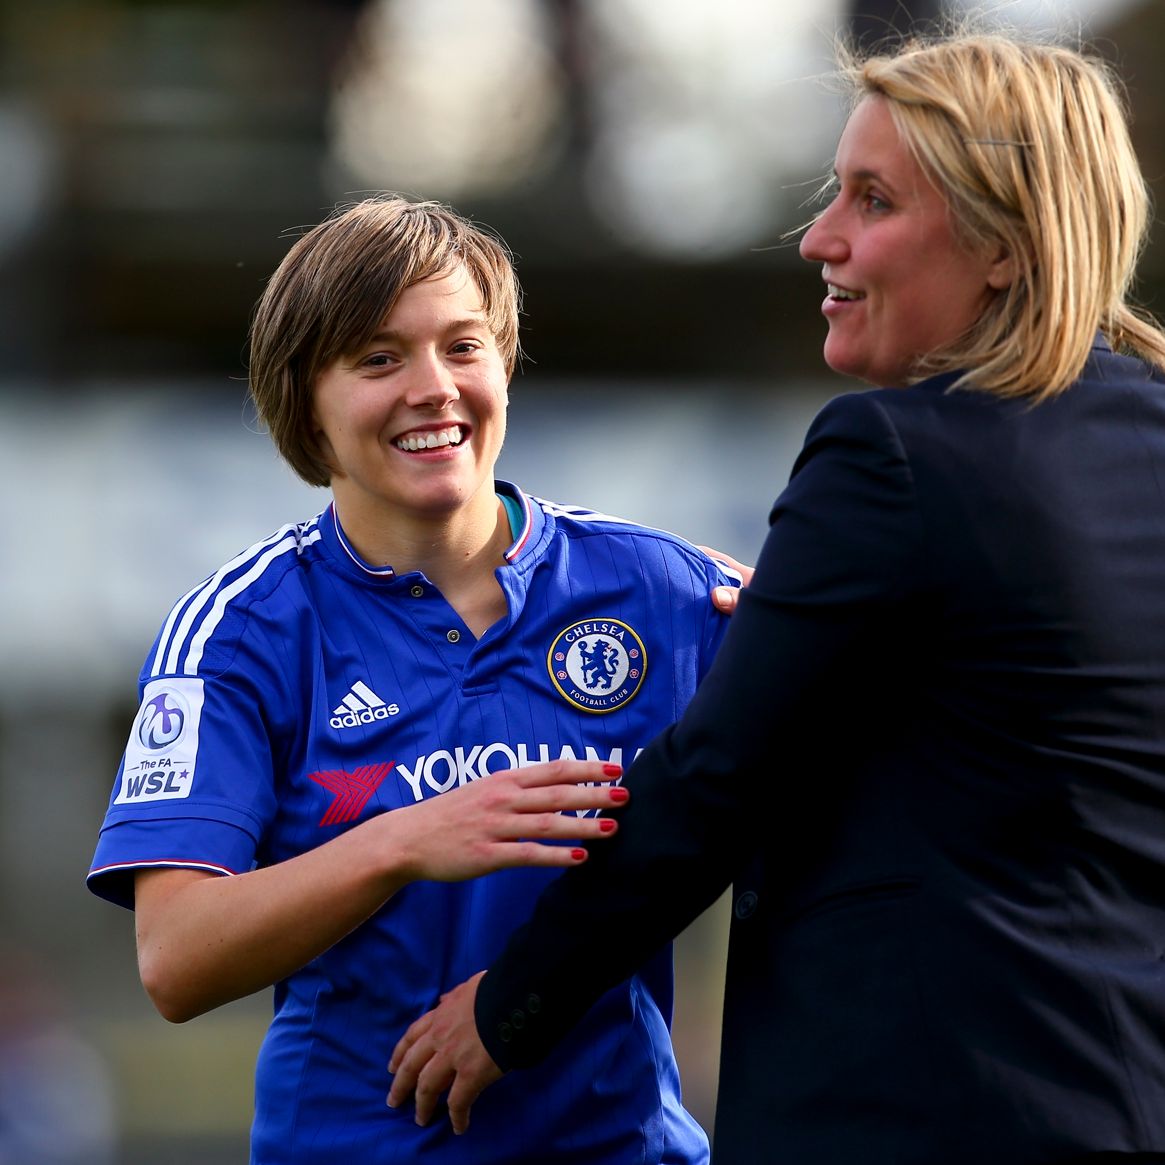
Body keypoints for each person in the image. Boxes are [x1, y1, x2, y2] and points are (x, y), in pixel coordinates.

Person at [387, 29, 1165, 1165]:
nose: (819, 239)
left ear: (1002, 243)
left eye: (872, 201)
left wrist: (510, 1005)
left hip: (920, 1116)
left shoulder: (892, 452)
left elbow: (714, 780)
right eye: (831, 193)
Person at [86, 196, 744, 1165]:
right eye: (378, 358)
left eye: (462, 347)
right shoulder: (238, 632)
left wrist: (816, 621)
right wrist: (401, 842)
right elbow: (176, 958)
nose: (433, 388)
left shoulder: (669, 592)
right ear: (305, 402)